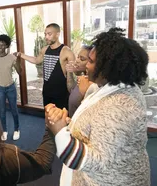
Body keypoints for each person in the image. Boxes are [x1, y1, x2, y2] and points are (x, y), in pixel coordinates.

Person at [46, 28, 151, 185]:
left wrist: (59, 131)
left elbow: (95, 162)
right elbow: (98, 124)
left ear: (108, 68)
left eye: (90, 61)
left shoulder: (121, 107)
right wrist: (69, 124)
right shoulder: (109, 88)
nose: (86, 65)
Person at [16, 23, 75, 108]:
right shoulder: (45, 49)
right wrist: (21, 55)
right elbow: (36, 60)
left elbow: (74, 72)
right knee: (47, 118)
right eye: (45, 34)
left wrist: (72, 92)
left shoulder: (66, 51)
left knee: (60, 119)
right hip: (47, 92)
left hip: (61, 94)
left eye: (49, 34)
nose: (46, 37)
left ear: (57, 34)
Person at [66, 45, 97, 117]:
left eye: (82, 59)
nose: (77, 60)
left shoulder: (92, 84)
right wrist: (69, 72)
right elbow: (71, 89)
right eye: (78, 57)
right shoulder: (82, 78)